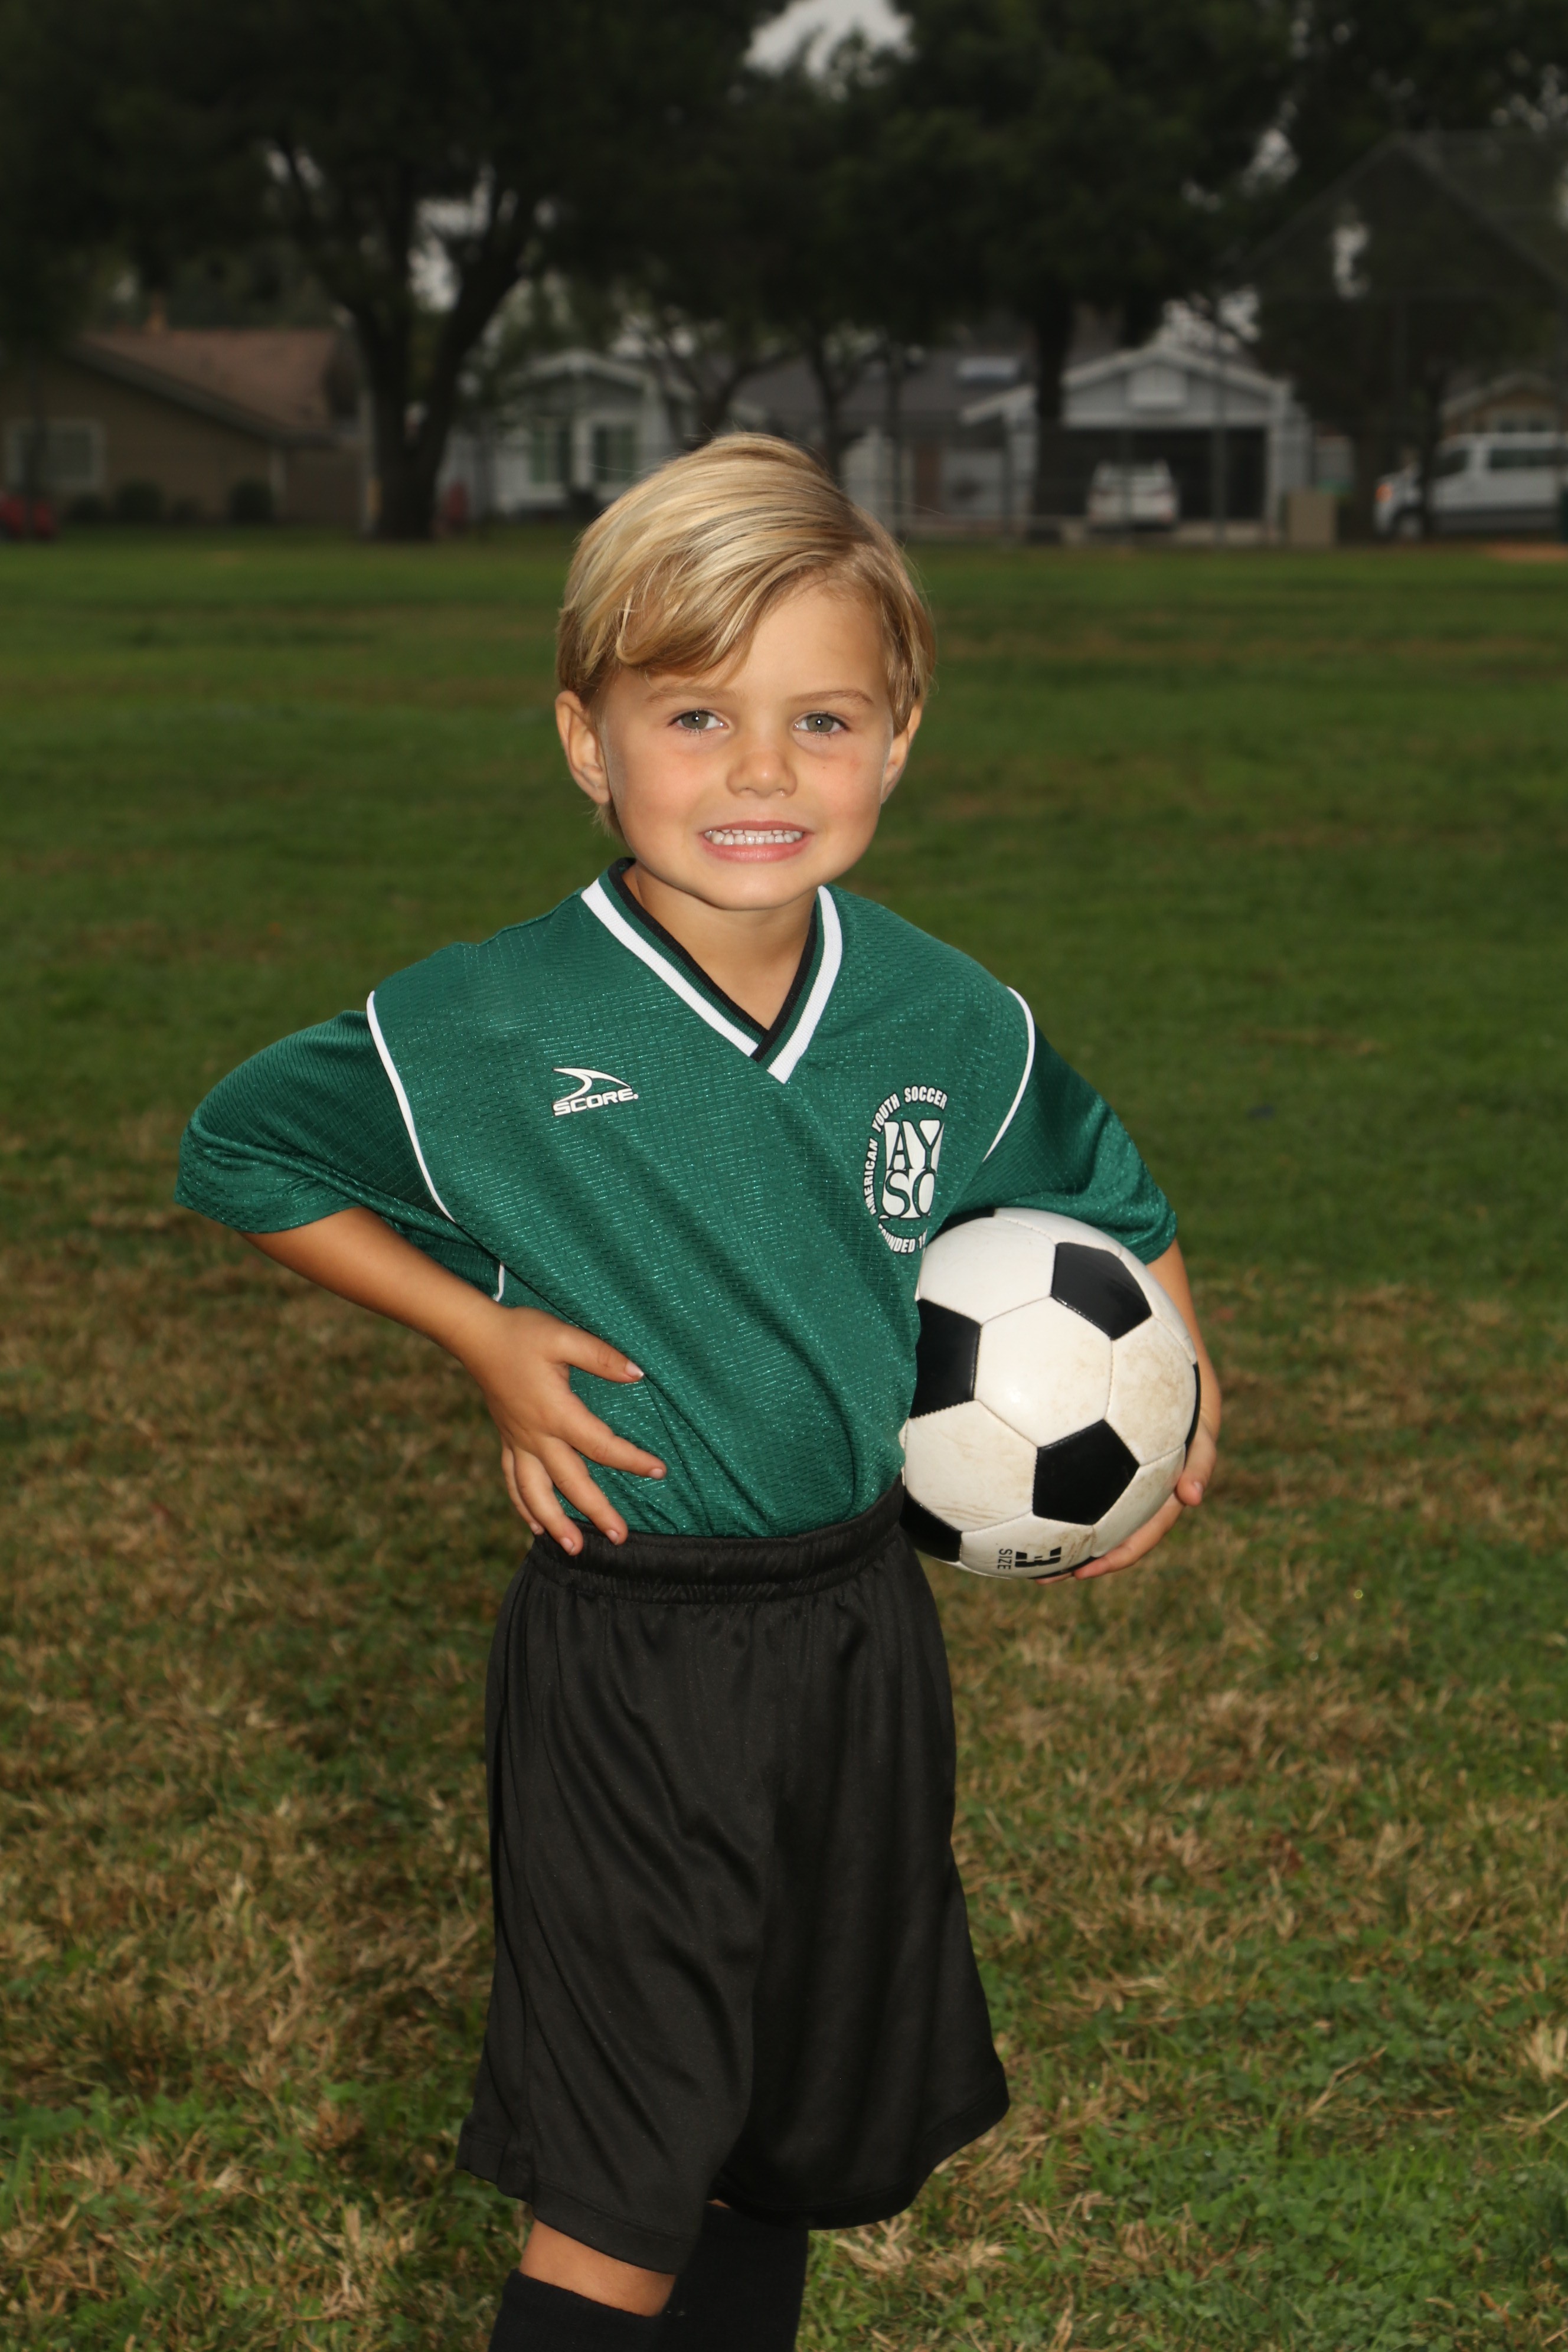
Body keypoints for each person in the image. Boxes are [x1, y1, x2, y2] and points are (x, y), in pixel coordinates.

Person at [175, 436, 1220, 2350]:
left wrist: (1177, 1394)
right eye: (694, 715)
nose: (761, 773)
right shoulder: (488, 1019)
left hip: (860, 1638)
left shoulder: (947, 1014)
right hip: (630, 1654)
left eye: (822, 719)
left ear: (899, 739)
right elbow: (240, 1150)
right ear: (588, 744)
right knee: (622, 2182)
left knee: (775, 2141)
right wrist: (482, 1334)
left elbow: (1110, 1197)